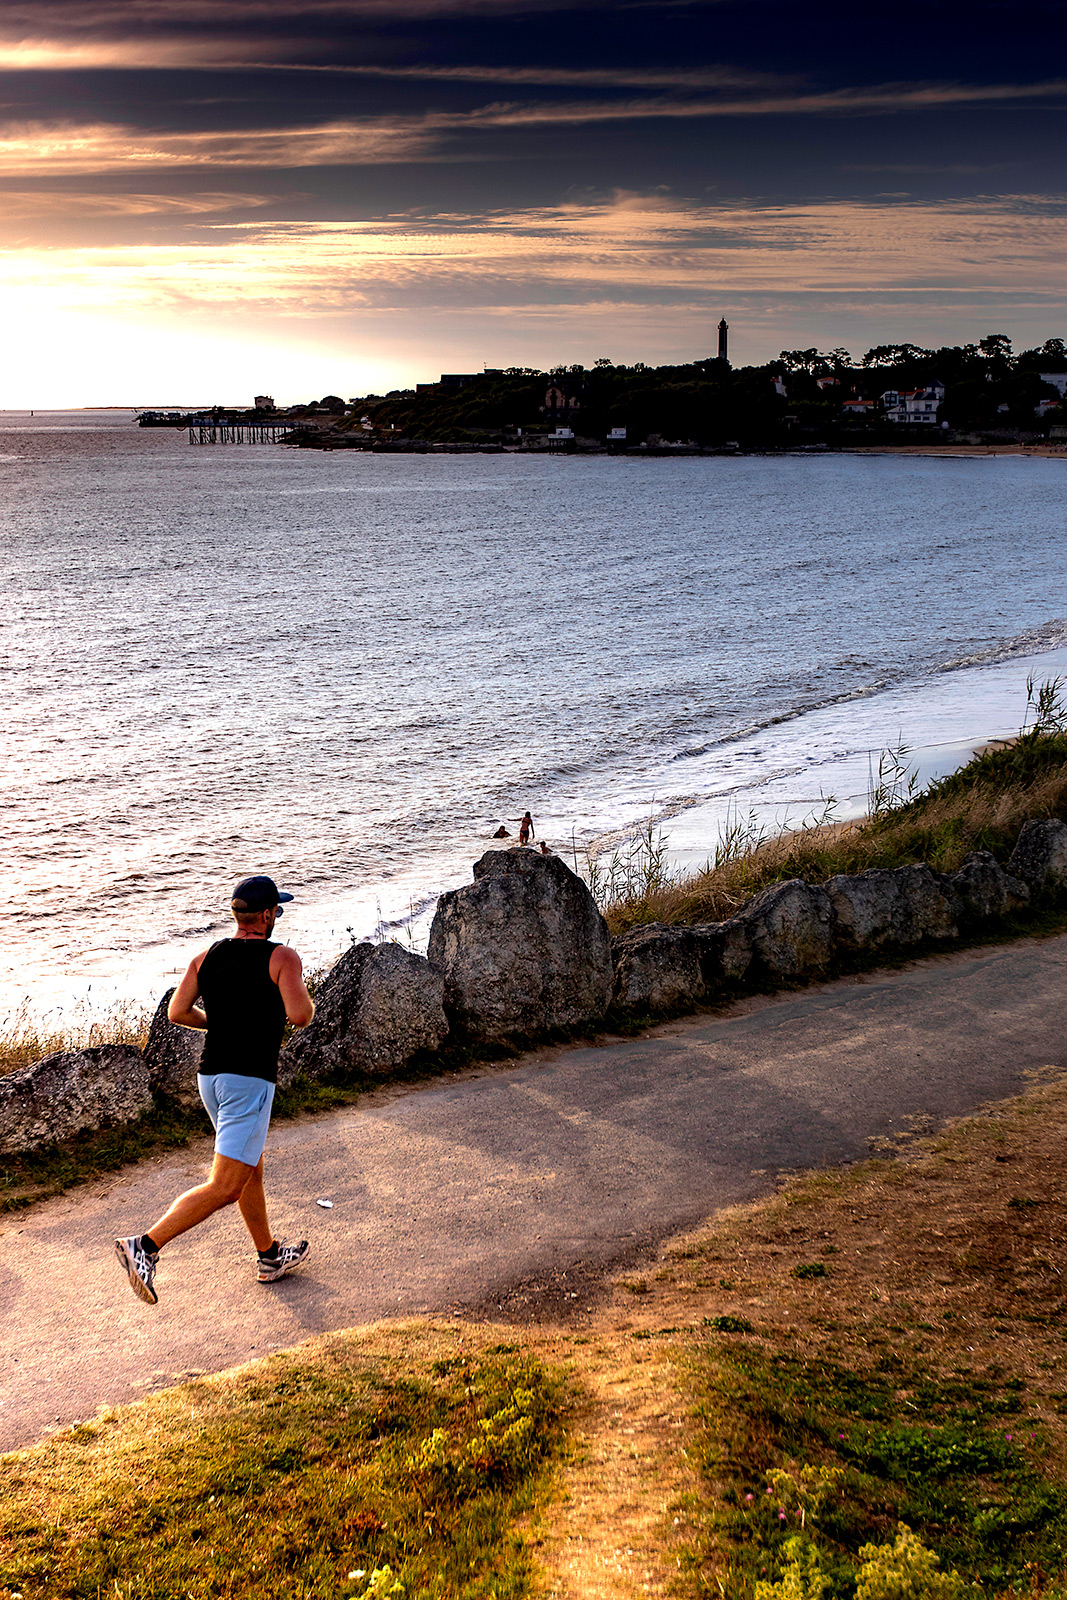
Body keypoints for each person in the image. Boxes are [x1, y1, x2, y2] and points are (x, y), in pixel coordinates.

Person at [115, 874, 316, 1306]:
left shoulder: (206, 957)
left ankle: (268, 1257)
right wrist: (298, 998)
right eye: (276, 910)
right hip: (248, 1081)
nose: (276, 915)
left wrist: (219, 1023)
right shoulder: (282, 957)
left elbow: (178, 1011)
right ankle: (144, 1247)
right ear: (266, 916)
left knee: (250, 1170)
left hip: (213, 1079)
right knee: (225, 1185)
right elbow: (300, 1016)